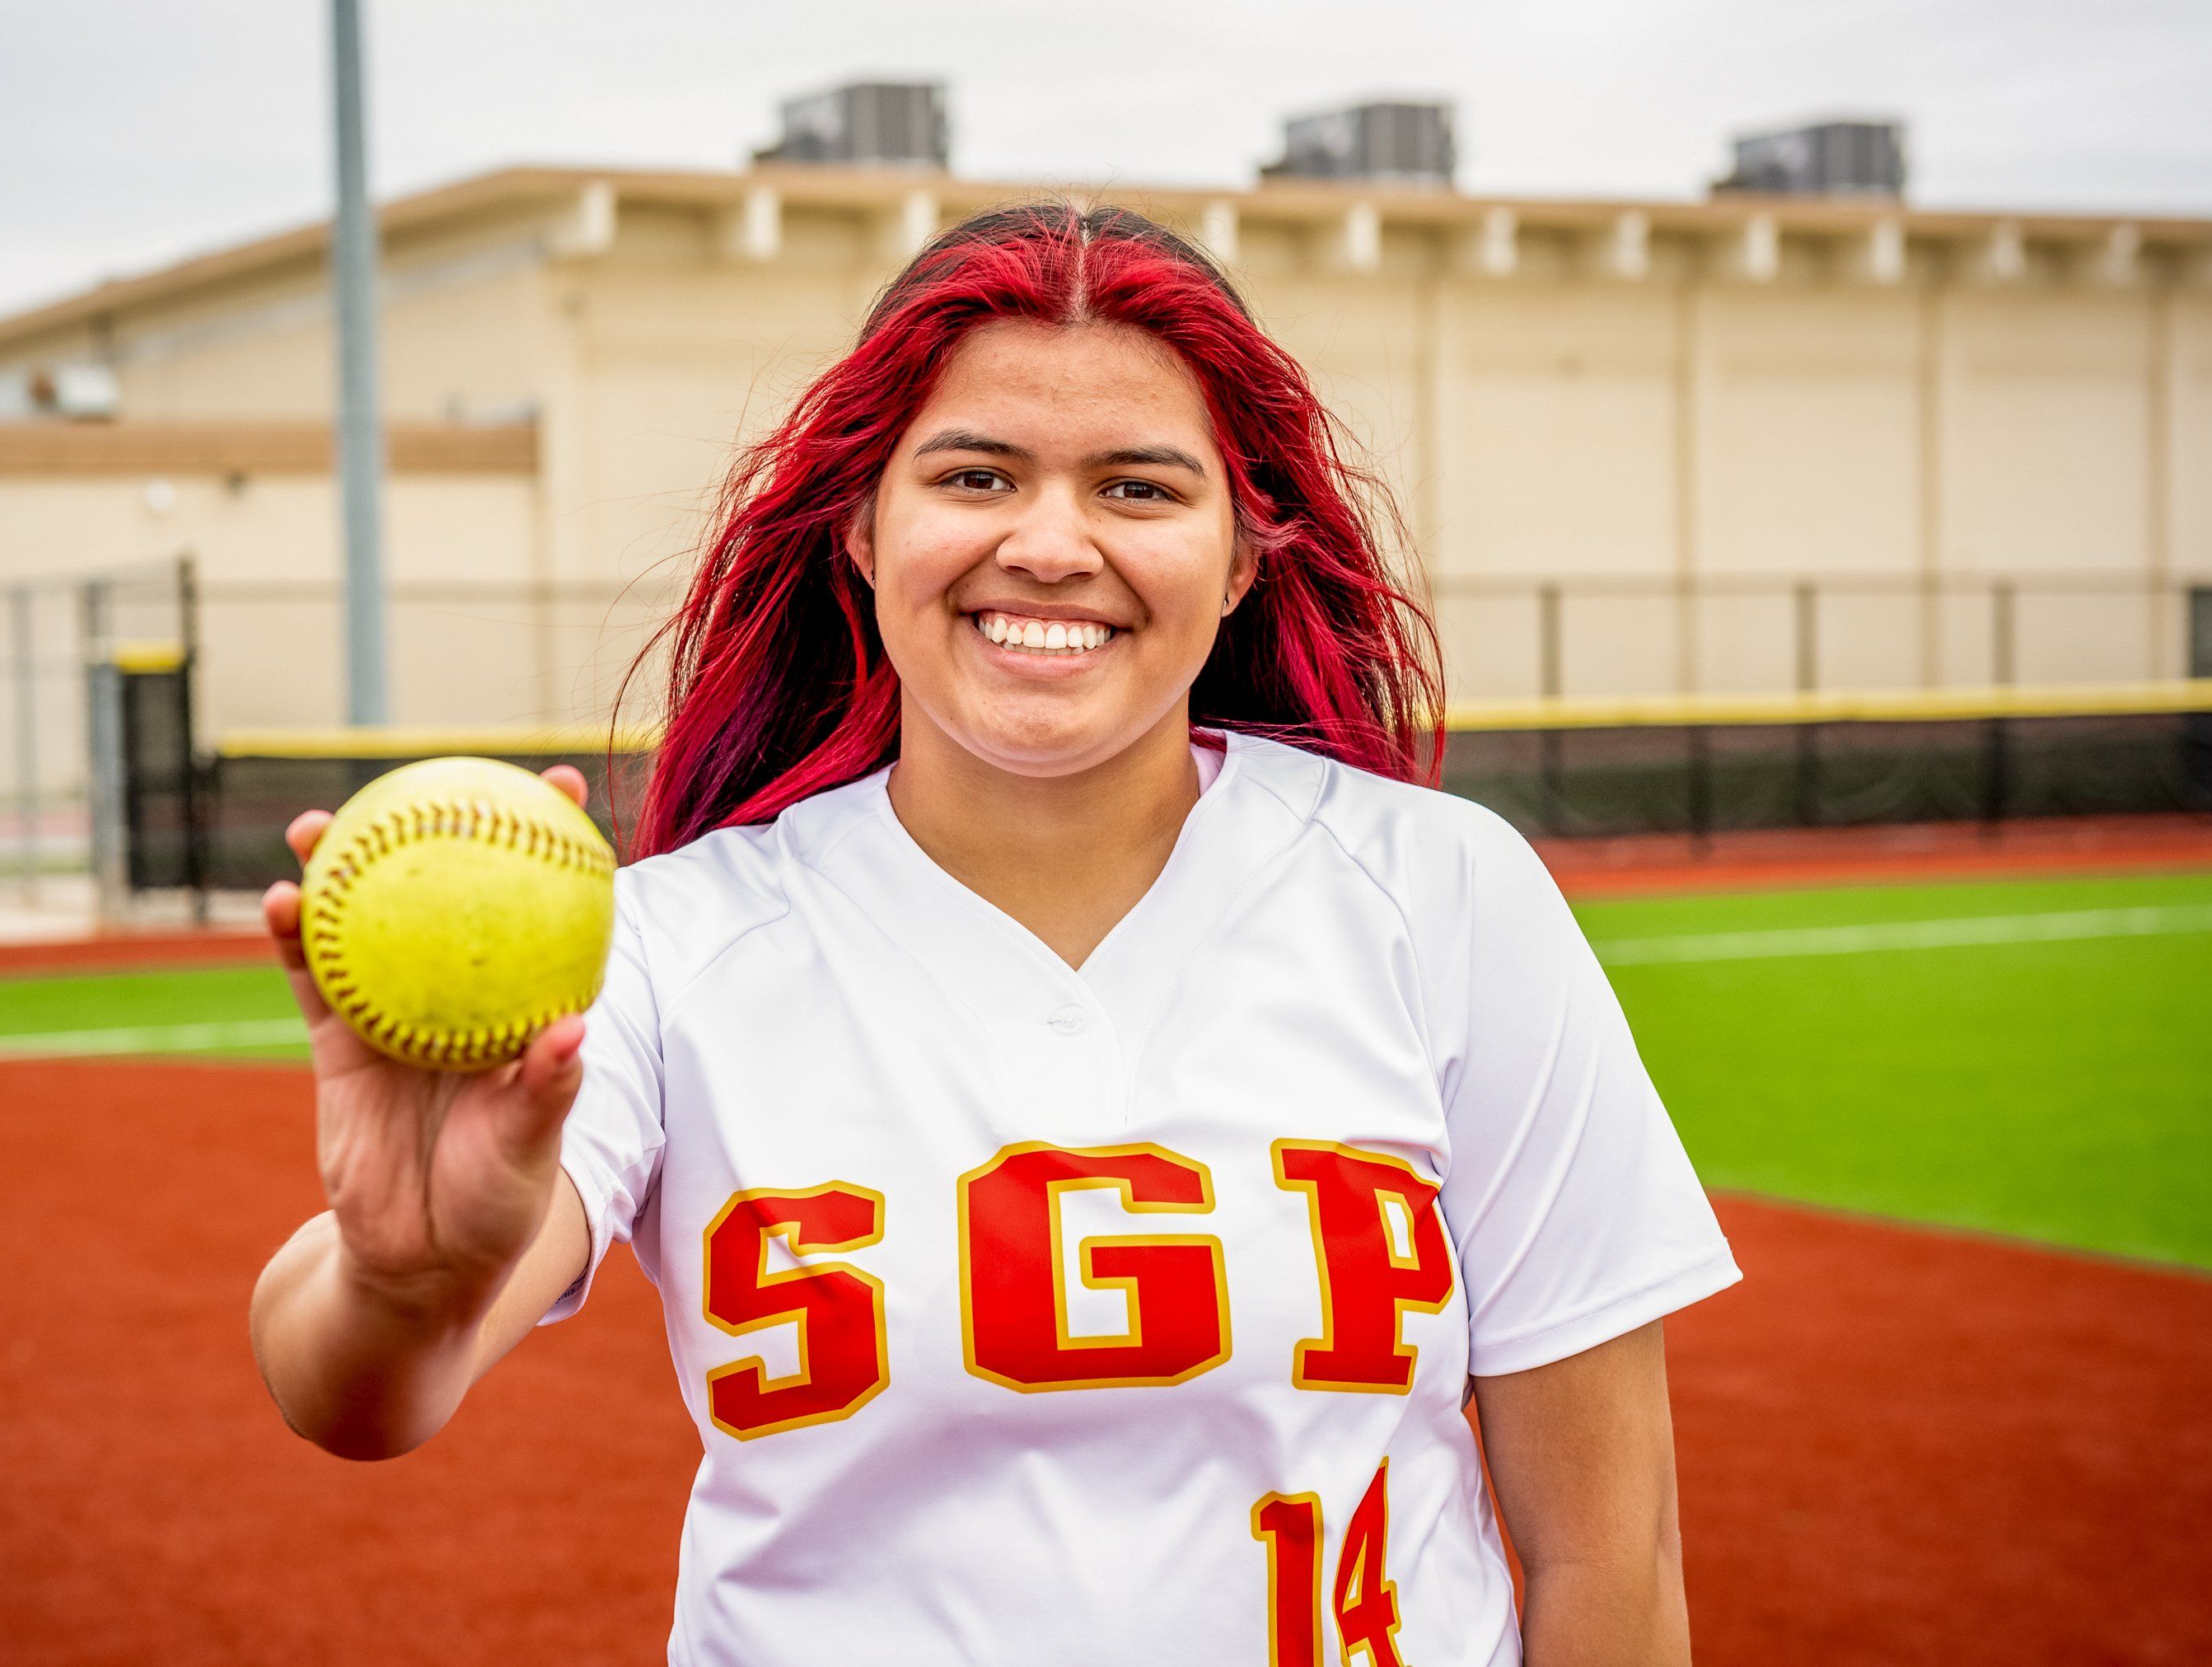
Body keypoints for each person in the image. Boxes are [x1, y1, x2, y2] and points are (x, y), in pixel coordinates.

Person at [251, 203, 1739, 1666]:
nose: (1049, 543)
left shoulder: (1441, 892)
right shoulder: (670, 944)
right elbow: (367, 1392)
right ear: (862, 524)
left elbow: (1609, 1544)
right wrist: (398, 1281)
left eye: (1140, 489)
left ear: (1238, 559)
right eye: (975, 473)